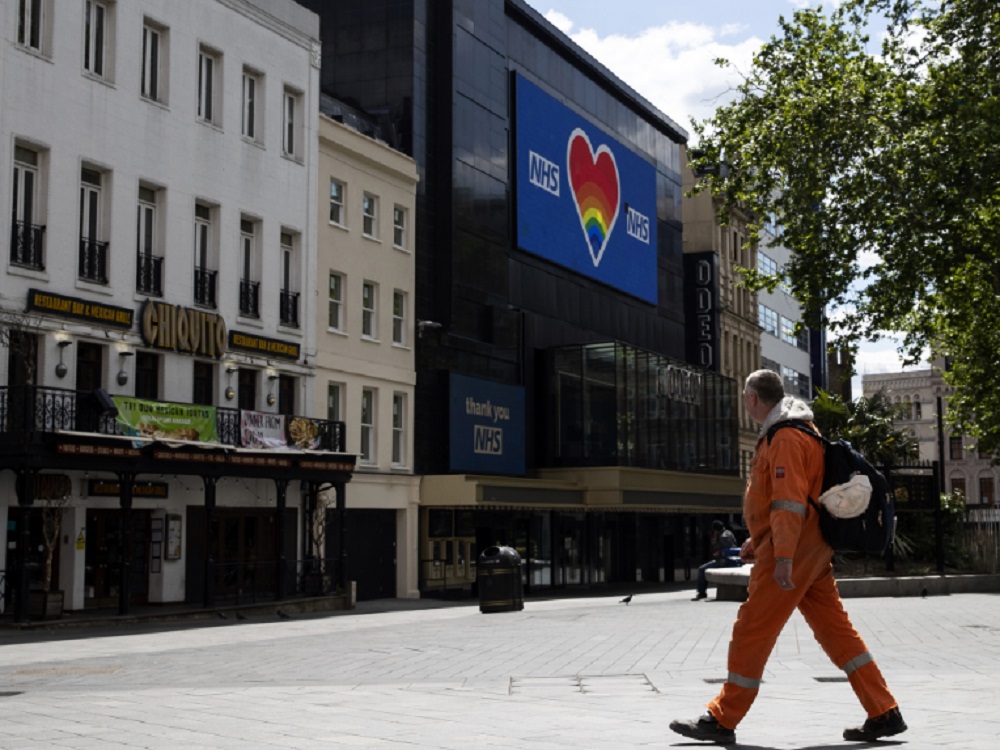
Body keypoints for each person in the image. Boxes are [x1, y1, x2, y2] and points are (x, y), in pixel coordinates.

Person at [670, 369, 906, 745]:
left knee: (752, 630)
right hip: (810, 551)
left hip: (793, 555)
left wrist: (781, 556)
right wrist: (758, 539)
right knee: (837, 633)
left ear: (752, 398)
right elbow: (784, 503)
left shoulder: (784, 438)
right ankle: (884, 710)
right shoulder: (801, 432)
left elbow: (789, 503)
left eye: (745, 398)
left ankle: (722, 718)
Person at [692, 520, 738, 600]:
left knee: (702, 569)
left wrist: (719, 553)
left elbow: (730, 550)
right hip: (727, 560)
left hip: (724, 561)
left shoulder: (723, 536)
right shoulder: (728, 533)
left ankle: (701, 592)